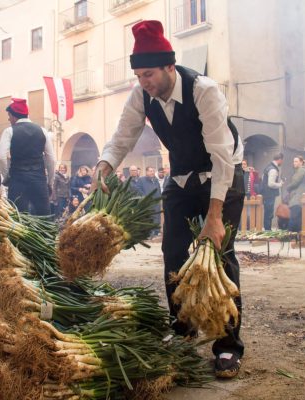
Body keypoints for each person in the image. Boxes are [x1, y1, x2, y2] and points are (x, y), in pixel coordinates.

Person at [91, 20, 245, 378]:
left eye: (149, 75)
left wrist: (214, 216)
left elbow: (222, 156)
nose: (144, 82)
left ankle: (227, 346)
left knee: (221, 258)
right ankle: (183, 331)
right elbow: (123, 135)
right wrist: (104, 164)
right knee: (173, 253)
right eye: (139, 76)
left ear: (169, 67)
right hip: (179, 177)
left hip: (222, 176)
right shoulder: (140, 95)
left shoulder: (203, 90)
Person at [0, 98, 56, 216]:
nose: (8, 119)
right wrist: (50, 182)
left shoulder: (9, 131)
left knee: (18, 217)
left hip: (18, 180)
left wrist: (7, 176)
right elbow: (51, 159)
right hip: (39, 179)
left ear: (14, 116)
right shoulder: (42, 131)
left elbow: (1, 157)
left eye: (9, 115)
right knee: (44, 217)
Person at [261, 153, 284, 230]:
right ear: (280, 160)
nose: (282, 162)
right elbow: (270, 184)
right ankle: (268, 230)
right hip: (269, 194)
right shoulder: (273, 169)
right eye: (282, 161)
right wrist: (280, 184)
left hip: (266, 194)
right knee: (269, 213)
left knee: (267, 213)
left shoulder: (268, 167)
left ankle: (267, 229)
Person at [137, 166, 162, 237]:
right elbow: (138, 189)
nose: (152, 172)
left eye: (153, 171)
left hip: (156, 202)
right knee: (149, 217)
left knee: (157, 216)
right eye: (150, 171)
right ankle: (150, 232)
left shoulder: (156, 180)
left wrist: (160, 198)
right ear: (147, 172)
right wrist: (145, 197)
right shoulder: (141, 180)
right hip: (147, 202)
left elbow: (159, 189)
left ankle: (156, 231)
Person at [286, 156, 305, 233]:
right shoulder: (302, 170)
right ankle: (297, 236)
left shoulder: (301, 170)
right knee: (298, 219)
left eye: (296, 161)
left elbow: (295, 182)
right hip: (299, 197)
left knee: (294, 217)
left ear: (301, 162)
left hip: (297, 197)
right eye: (293, 161)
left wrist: (287, 187)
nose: (294, 163)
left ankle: (290, 235)